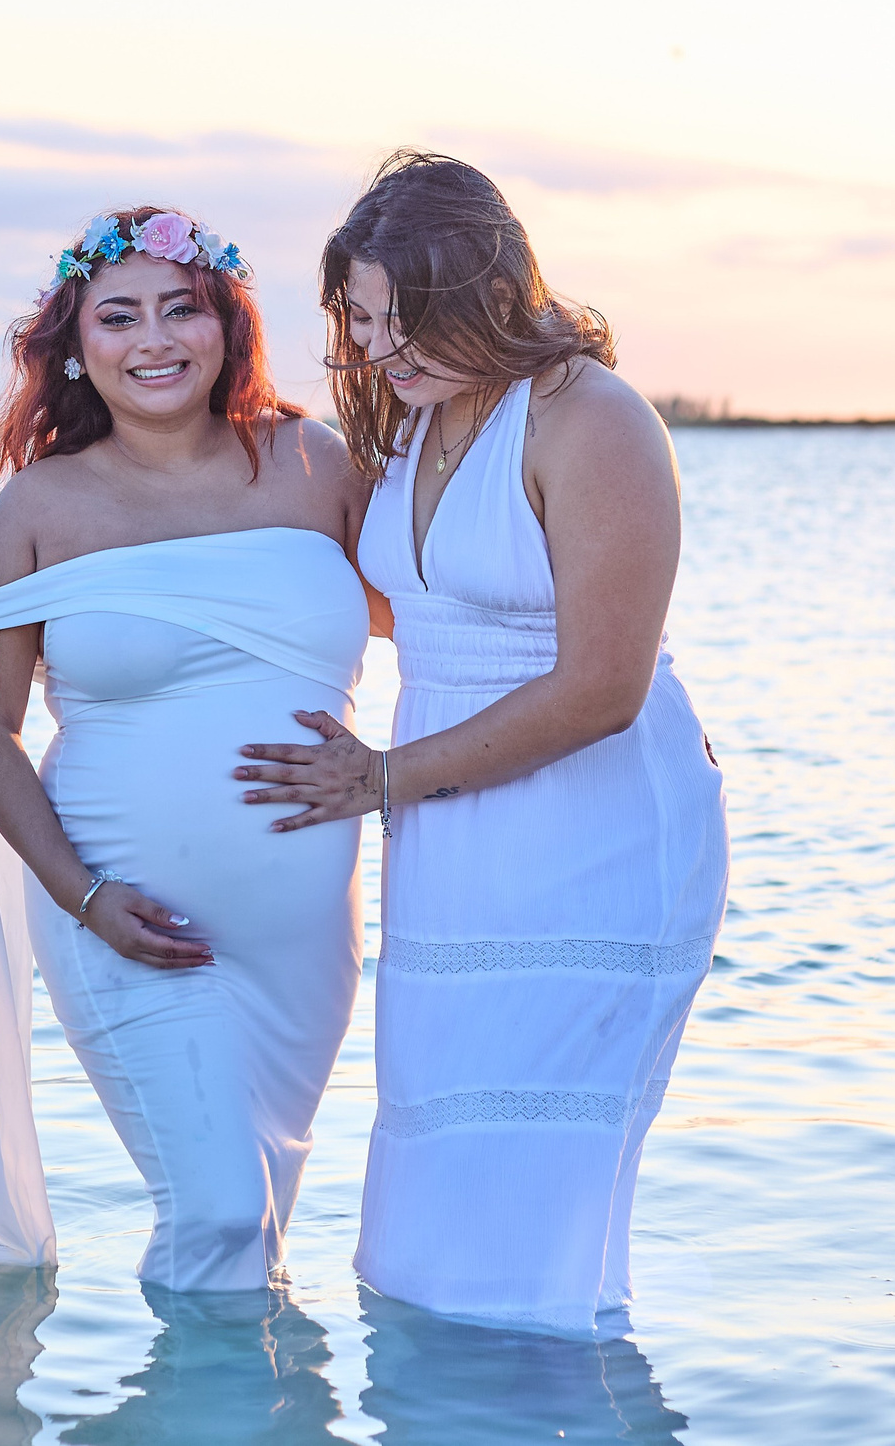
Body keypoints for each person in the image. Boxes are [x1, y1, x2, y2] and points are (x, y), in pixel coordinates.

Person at [231, 151, 730, 1334]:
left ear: (491, 296)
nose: (382, 352)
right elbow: (419, 612)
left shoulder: (590, 421)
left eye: (410, 325)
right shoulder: (411, 416)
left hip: (591, 832)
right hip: (454, 841)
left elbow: (601, 685)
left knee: (534, 1203)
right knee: (433, 1197)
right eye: (361, 323)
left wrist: (381, 778)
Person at [0, 206, 373, 1291]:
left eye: (182, 308)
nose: (154, 338)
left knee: (254, 1222)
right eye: (118, 316)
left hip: (302, 934)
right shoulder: (32, 515)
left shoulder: (315, 465)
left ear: (226, 326)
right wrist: (81, 895)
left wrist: (392, 772)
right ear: (75, 348)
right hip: (124, 916)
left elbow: (450, 624)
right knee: (218, 1214)